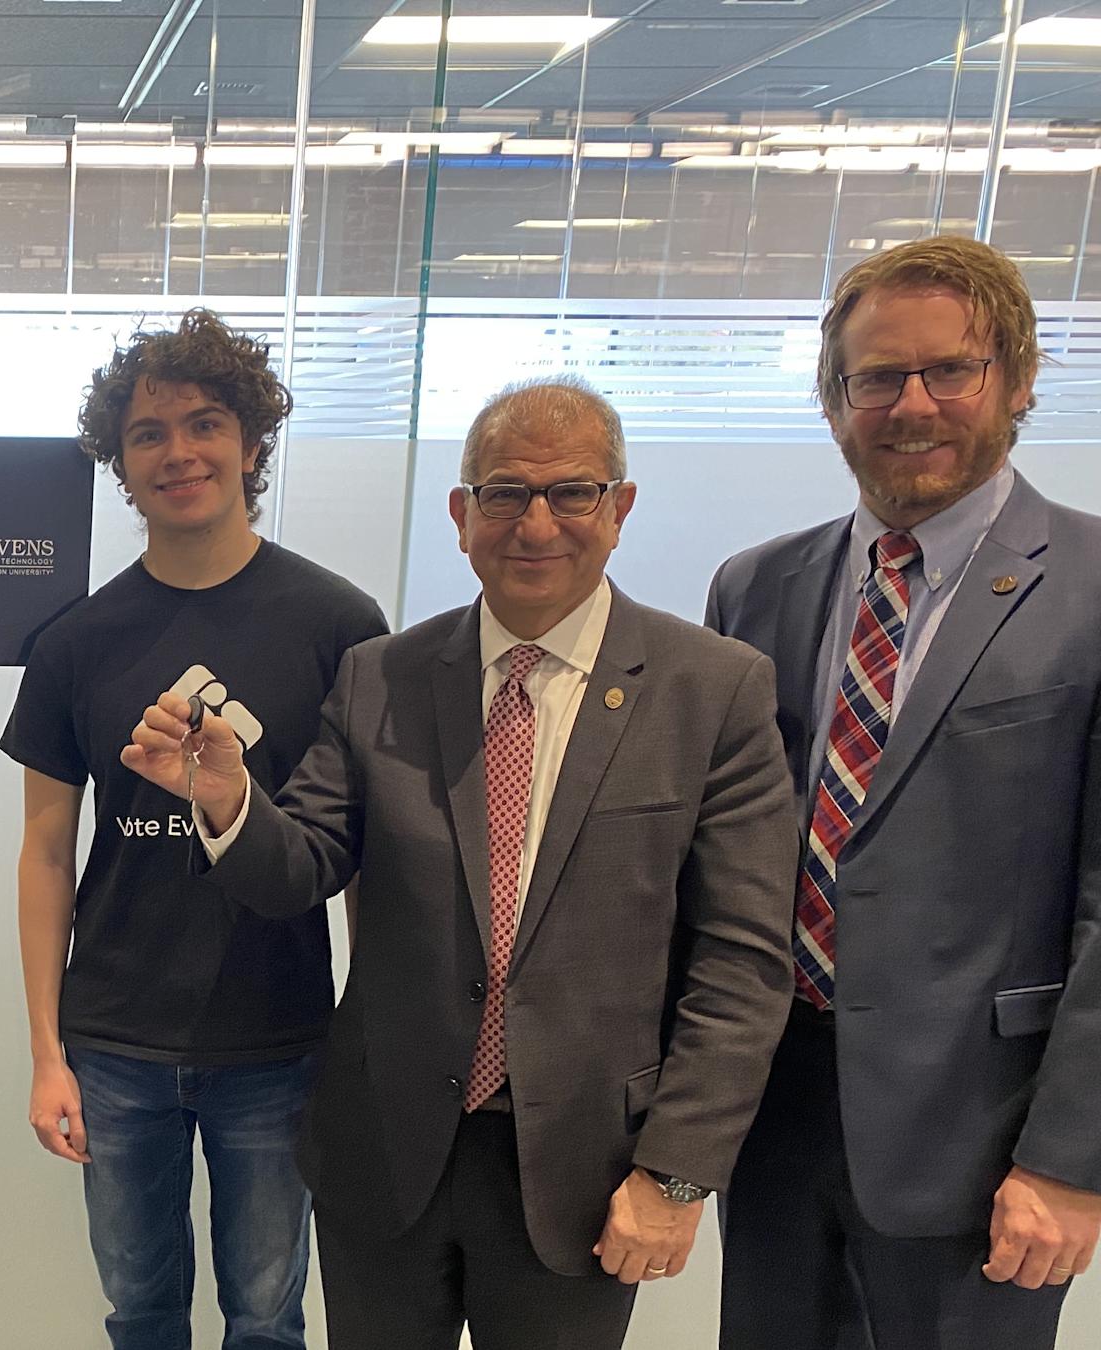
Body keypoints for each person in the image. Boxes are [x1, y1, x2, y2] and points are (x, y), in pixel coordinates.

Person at [125, 376, 798, 1349]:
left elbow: (742, 963)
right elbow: (299, 867)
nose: (536, 524)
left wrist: (677, 1175)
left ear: (619, 509)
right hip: (384, 1153)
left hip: (584, 1168)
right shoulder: (383, 675)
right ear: (461, 514)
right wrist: (229, 800)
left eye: (572, 492)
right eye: (505, 493)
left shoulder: (713, 690)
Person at [706, 235, 1101, 1349]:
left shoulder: (1091, 588)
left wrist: (1071, 1159)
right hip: (774, 1117)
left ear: (1017, 380)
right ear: (835, 402)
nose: (912, 405)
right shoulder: (756, 588)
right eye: (877, 377)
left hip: (983, 1138)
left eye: (950, 370)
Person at [0, 309, 387, 1349]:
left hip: (280, 1038)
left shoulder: (340, 627)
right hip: (115, 1041)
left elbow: (363, 858)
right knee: (140, 1315)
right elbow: (46, 853)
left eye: (205, 423)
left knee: (267, 1319)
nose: (178, 453)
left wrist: (367, 1037)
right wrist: (46, 1053)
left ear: (252, 444)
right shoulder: (75, 642)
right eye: (148, 434)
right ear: (120, 465)